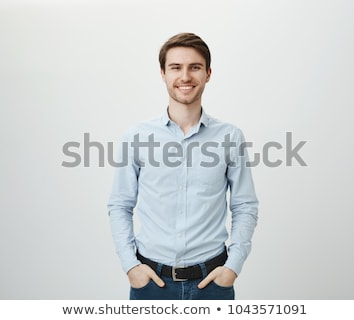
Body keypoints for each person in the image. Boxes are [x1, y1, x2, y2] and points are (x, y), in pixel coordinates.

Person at [107, 32, 258, 300]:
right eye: (176, 67)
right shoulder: (137, 137)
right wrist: (131, 266)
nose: (185, 76)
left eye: (195, 67)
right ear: (163, 73)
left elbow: (245, 205)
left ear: (208, 73)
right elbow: (120, 205)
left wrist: (232, 267)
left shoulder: (230, 136)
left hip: (212, 284)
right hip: (151, 285)